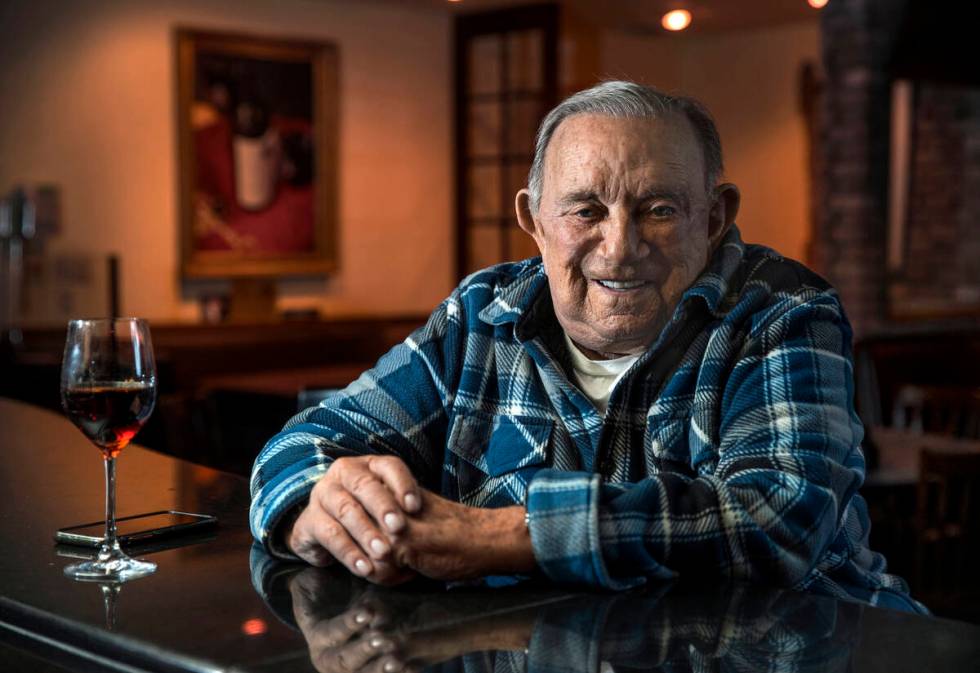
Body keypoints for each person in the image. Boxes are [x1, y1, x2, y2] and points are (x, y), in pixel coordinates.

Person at [250, 81, 922, 611]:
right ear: (535, 223)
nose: (621, 246)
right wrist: (316, 508)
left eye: (658, 208)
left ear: (714, 218)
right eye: (586, 210)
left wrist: (502, 537)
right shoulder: (480, 316)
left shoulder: (783, 313)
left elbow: (775, 520)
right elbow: (302, 443)